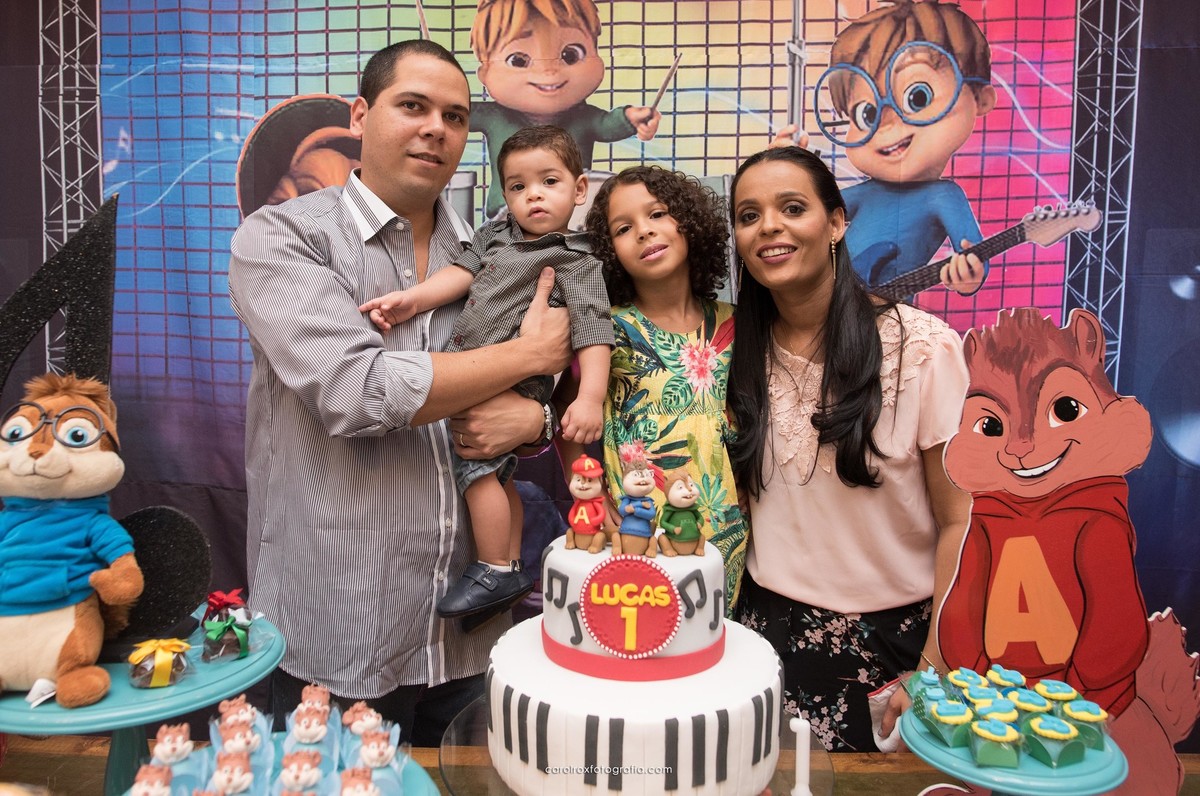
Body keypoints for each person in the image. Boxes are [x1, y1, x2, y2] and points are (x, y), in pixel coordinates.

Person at [227, 39, 571, 746]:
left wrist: (535, 415)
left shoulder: (489, 254)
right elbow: (359, 392)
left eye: (453, 116)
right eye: (412, 106)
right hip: (337, 632)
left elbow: (541, 396)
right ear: (361, 114)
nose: (435, 129)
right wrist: (524, 353)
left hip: (466, 636)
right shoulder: (283, 238)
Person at [726, 145, 974, 752]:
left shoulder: (923, 348)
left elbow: (961, 519)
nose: (770, 229)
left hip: (897, 649)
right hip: (763, 641)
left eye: (792, 208)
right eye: (748, 215)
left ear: (837, 222)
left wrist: (936, 660)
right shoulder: (732, 355)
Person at [357, 125, 613, 621]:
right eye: (517, 186)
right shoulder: (497, 234)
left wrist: (589, 399)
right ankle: (512, 565)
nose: (532, 195)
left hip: (509, 386)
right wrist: (413, 299)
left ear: (579, 189)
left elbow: (593, 334)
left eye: (549, 182)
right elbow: (460, 275)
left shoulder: (578, 262)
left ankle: (493, 566)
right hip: (477, 369)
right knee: (500, 476)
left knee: (475, 472)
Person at [568, 166, 748, 609]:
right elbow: (566, 415)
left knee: (710, 649)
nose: (644, 232)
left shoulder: (733, 323)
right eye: (624, 228)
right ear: (610, 251)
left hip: (725, 522)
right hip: (638, 522)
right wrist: (589, 490)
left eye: (658, 214)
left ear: (689, 222)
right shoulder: (606, 327)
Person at [778, 0, 995, 295]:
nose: (888, 124)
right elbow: (810, 212)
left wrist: (968, 274)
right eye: (867, 113)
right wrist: (784, 168)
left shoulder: (944, 197)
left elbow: (973, 259)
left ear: (980, 98)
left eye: (917, 97)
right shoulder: (866, 194)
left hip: (889, 318)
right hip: (831, 306)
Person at [468, 0, 661, 218]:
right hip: (509, 215)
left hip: (573, 215)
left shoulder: (583, 116)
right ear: (484, 73)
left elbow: (608, 124)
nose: (549, 71)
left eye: (570, 55)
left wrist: (632, 118)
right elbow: (454, 112)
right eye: (519, 60)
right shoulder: (493, 116)